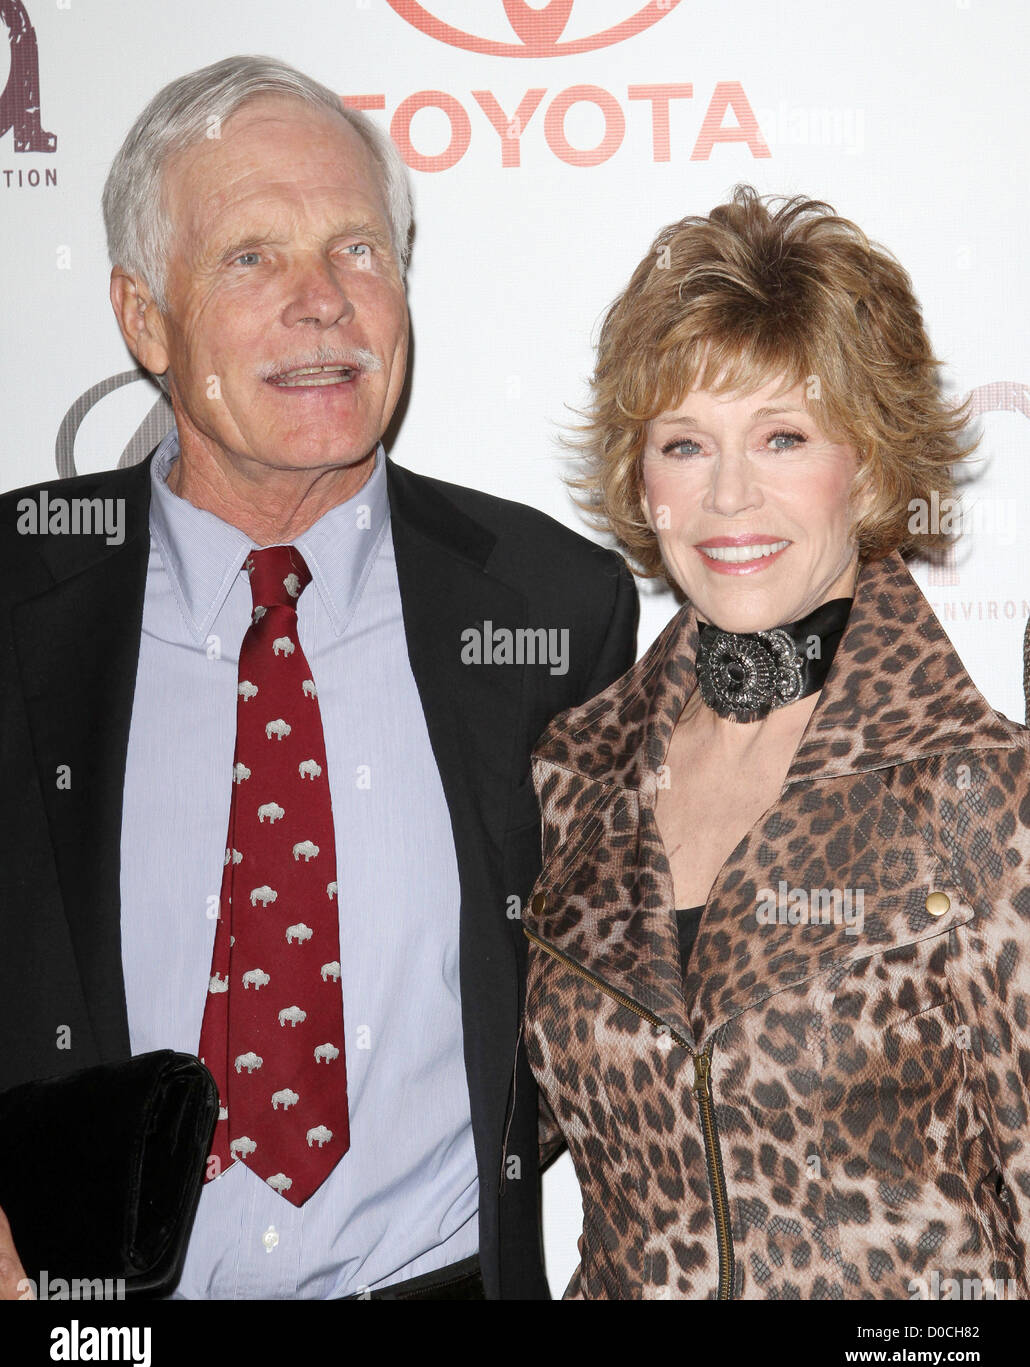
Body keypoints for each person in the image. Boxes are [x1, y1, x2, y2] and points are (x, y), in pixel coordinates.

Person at [0, 54, 637, 1300]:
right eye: (252, 258)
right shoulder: (18, 593)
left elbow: (606, 1020)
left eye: (358, 249)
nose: (323, 304)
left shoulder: (556, 608)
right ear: (143, 318)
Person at [519, 185, 1030, 1300]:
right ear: (640, 480)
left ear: (872, 464)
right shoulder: (573, 773)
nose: (729, 496)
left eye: (782, 437)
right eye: (686, 444)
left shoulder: (984, 794)